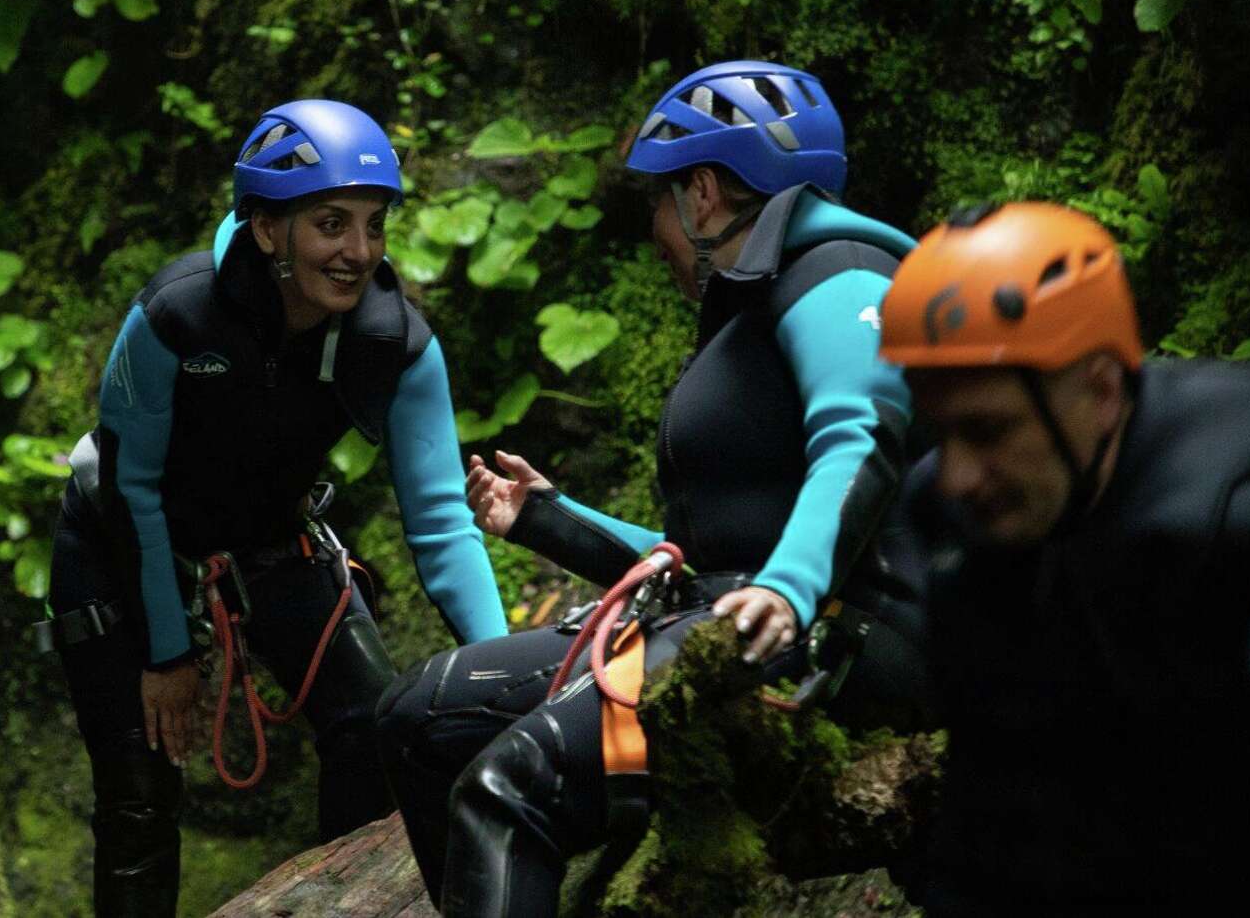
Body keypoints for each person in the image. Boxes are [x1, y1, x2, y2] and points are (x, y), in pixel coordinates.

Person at [376, 60, 929, 916]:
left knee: (509, 787)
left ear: (702, 192)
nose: (658, 233)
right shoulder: (756, 308)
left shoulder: (843, 270)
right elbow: (702, 564)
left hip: (839, 633)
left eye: (658, 204)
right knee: (421, 716)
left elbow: (860, 441)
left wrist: (790, 584)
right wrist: (549, 520)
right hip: (738, 615)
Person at [41, 99, 508, 916]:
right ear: (266, 229)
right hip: (119, 540)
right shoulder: (176, 314)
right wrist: (165, 650)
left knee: (372, 727)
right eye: (331, 223)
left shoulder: (394, 342)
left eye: (373, 224)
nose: (357, 251)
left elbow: (440, 523)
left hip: (268, 541)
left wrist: (506, 670)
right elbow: (132, 486)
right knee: (140, 791)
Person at [877, 201, 1250, 915]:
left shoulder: (1249, 544)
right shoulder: (954, 536)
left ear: (1102, 389)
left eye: (987, 430)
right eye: (941, 432)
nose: (956, 474)